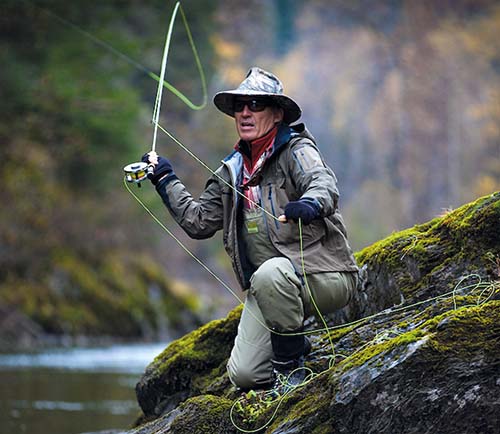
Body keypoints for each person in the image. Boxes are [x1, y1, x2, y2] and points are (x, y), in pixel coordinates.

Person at [142, 67, 358, 393]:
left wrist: (310, 204)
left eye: (255, 104)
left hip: (327, 276)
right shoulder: (231, 169)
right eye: (239, 106)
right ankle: (294, 350)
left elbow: (323, 183)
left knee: (271, 274)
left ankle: (291, 367)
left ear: (277, 114)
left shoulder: (297, 150)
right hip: (268, 286)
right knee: (244, 374)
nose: (245, 112)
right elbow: (198, 222)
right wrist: (165, 179)